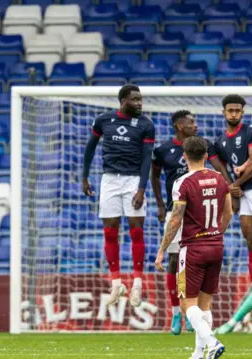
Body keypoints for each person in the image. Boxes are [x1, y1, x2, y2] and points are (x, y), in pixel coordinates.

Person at [151, 109, 231, 335]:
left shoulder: (185, 178)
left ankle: (202, 332)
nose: (195, 125)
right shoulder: (163, 150)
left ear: (187, 156)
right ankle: (177, 314)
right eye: (191, 122)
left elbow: (177, 219)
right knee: (175, 263)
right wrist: (159, 203)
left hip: (188, 223)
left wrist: (159, 250)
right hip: (182, 215)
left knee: (192, 299)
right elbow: (154, 176)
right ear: (178, 126)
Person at [82, 84, 155, 307]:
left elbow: (146, 159)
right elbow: (90, 148)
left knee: (136, 230)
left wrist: (142, 188)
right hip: (110, 179)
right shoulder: (103, 120)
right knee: (109, 231)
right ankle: (116, 283)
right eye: (135, 99)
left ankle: (137, 284)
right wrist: (84, 177)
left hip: (133, 180)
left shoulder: (146, 125)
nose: (140, 103)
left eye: (141, 99)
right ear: (123, 101)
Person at [213, 94, 252, 300]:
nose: (234, 113)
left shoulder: (250, 132)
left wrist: (234, 186)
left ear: (242, 112)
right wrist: (231, 188)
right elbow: (219, 165)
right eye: (230, 110)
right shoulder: (220, 141)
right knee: (251, 241)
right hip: (243, 194)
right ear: (224, 112)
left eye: (238, 110)